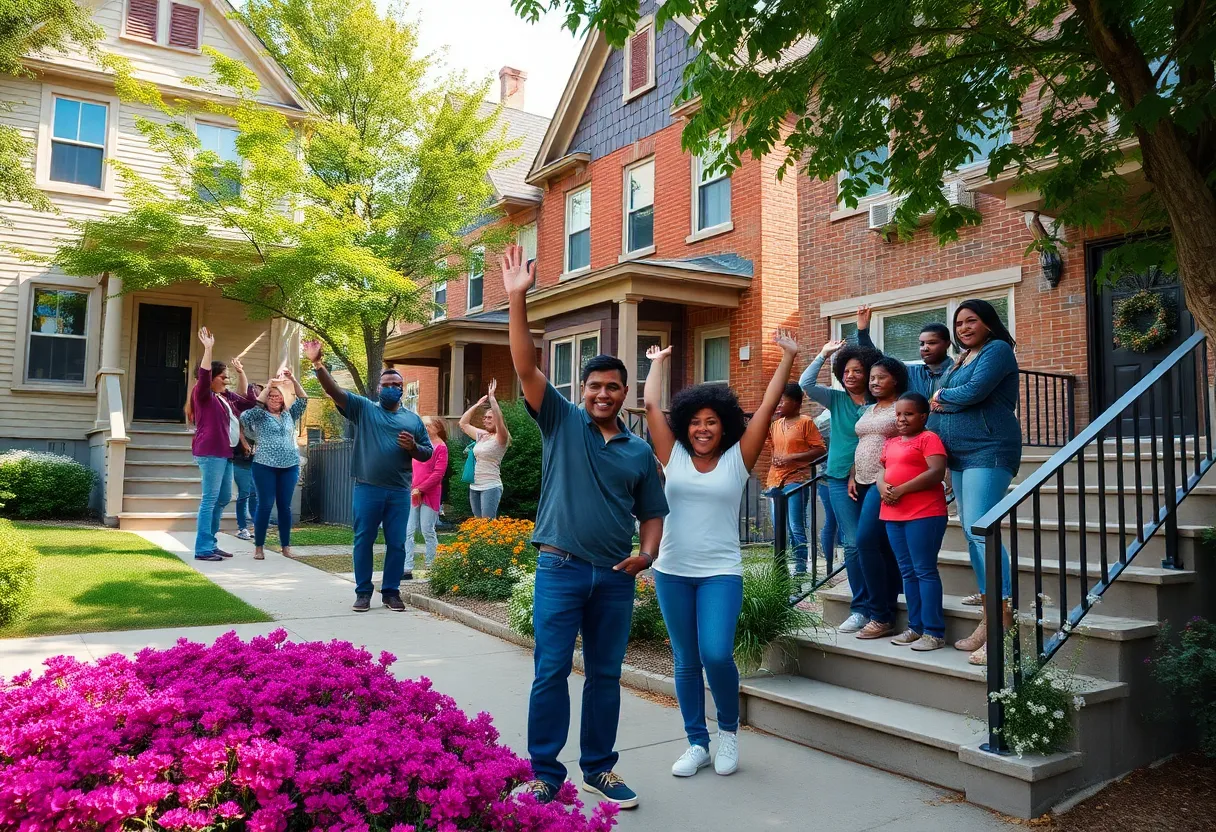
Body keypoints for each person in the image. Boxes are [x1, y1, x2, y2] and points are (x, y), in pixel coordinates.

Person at [500, 243, 668, 809]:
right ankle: (545, 773)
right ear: (583, 391)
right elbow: (525, 364)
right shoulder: (560, 421)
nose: (602, 393)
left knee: (604, 677)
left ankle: (599, 768)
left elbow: (652, 512)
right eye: (594, 386)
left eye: (613, 387)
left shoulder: (638, 452)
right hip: (561, 568)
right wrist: (517, 300)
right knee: (550, 672)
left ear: (624, 395)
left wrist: (646, 555)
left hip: (615, 578)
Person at [644, 331, 801, 779]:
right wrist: (656, 362)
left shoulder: (738, 458)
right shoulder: (671, 455)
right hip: (672, 571)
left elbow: (768, 407)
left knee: (715, 653)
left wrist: (787, 357)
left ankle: (728, 733)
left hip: (720, 573)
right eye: (695, 421)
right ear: (685, 425)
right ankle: (696, 741)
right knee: (685, 659)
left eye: (711, 421)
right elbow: (653, 408)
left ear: (724, 425)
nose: (703, 428)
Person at [304, 344, 434, 612]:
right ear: (378, 389)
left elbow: (427, 454)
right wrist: (318, 365)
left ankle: (391, 592)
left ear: (402, 388)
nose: (390, 388)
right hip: (367, 488)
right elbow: (334, 391)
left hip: (399, 491)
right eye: (385, 384)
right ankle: (363, 592)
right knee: (363, 540)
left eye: (395, 384)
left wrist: (413, 447)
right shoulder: (364, 409)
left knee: (397, 543)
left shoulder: (413, 420)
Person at [931, 299, 1020, 665]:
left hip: (990, 449)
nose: (964, 328)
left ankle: (1003, 621)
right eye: (959, 323)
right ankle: (989, 615)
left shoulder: (997, 350)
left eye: (972, 321)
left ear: (988, 323)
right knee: (970, 532)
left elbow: (975, 392)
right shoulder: (962, 359)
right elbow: (951, 404)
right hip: (960, 456)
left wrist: (942, 396)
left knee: (982, 531)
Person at [800, 339, 882, 633]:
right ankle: (861, 608)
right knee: (853, 542)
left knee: (872, 540)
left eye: (857, 370)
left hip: (875, 478)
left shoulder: (879, 405)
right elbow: (805, 384)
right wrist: (823, 354)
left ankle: (882, 601)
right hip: (837, 479)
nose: (850, 375)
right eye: (846, 370)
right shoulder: (836, 400)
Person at [878, 392, 950, 651]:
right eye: (898, 414)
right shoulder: (891, 442)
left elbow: (936, 472)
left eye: (908, 414)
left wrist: (901, 490)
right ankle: (915, 627)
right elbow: (882, 472)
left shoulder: (928, 438)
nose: (902, 419)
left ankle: (934, 631)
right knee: (907, 572)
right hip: (892, 514)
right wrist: (883, 487)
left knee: (924, 570)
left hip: (925, 513)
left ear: (923, 415)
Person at [849, 356, 909, 639]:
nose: (873, 382)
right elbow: (863, 442)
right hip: (860, 481)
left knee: (865, 541)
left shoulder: (902, 407)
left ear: (895, 379)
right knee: (882, 547)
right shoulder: (870, 409)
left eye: (880, 377)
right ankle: (888, 608)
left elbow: (909, 442)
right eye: (871, 378)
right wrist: (852, 474)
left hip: (884, 482)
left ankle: (879, 615)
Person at [186, 328, 256, 561]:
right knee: (210, 498)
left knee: (224, 497)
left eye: (228, 377)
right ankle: (203, 547)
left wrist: (241, 372)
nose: (227, 380)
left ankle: (211, 542)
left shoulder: (224, 397)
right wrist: (208, 349)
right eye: (223, 376)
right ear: (212, 378)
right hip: (210, 452)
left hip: (225, 454)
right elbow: (203, 374)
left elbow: (248, 400)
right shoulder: (202, 394)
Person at [240, 369, 308, 561]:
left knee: (284, 507)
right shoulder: (258, 416)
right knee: (265, 505)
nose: (275, 399)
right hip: (265, 466)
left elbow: (303, 399)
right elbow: (247, 416)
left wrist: (293, 379)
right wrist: (270, 385)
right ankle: (259, 547)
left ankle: (285, 547)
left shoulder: (289, 415)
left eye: (278, 396)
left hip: (289, 466)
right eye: (271, 396)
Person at [765, 383, 826, 576]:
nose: (780, 404)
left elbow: (820, 449)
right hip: (774, 481)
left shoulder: (805, 422)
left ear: (796, 402)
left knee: (795, 527)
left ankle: (800, 573)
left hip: (796, 479)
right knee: (779, 529)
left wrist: (791, 458)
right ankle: (781, 573)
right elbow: (770, 446)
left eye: (783, 400)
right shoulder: (775, 424)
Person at [855, 304, 953, 398]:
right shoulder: (911, 372)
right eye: (922, 344)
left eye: (932, 343)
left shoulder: (958, 371)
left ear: (947, 344)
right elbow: (877, 360)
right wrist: (862, 331)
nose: (925, 348)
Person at [458, 379, 511, 518]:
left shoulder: (501, 437)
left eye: (490, 418)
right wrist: (477, 405)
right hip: (474, 486)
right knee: (478, 526)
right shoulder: (482, 435)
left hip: (490, 486)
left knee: (487, 525)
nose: (486, 420)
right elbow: (463, 424)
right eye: (485, 417)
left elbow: (499, 419)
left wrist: (492, 399)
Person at [406, 416, 449, 573]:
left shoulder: (441, 447)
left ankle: (431, 565)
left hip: (430, 494)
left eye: (427, 425)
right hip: (412, 492)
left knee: (427, 530)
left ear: (437, 427)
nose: (424, 428)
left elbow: (438, 474)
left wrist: (421, 488)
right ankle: (407, 567)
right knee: (408, 531)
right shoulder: (419, 445)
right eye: (422, 425)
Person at [232, 394, 259, 543]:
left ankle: (254, 526)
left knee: (254, 494)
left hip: (256, 463)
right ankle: (242, 527)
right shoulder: (241, 415)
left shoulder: (261, 418)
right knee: (244, 493)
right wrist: (243, 441)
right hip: (240, 462)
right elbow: (238, 431)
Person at [814, 409, 839, 564]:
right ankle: (835, 563)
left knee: (832, 520)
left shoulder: (821, 421)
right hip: (831, 477)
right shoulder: (829, 420)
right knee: (835, 520)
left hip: (825, 477)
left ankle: (831, 563)